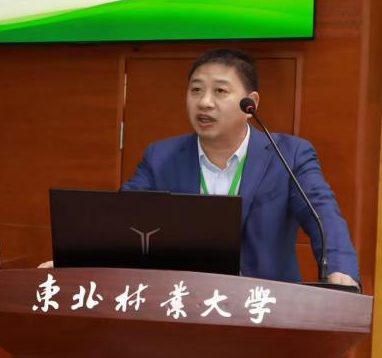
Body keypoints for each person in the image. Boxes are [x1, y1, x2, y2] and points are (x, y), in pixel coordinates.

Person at [123, 48, 358, 285]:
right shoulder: (161, 157)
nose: (204, 102)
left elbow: (323, 216)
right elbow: (123, 218)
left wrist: (340, 270)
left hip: (264, 300)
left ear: (250, 104)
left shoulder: (289, 155)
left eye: (220, 91)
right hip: (184, 296)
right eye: (196, 90)